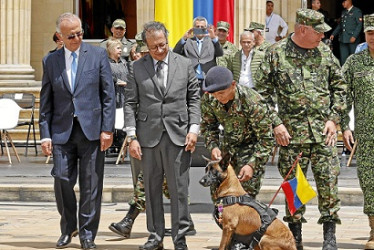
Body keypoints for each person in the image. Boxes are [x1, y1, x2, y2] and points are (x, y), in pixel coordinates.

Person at [255, 9, 347, 250]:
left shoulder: (325, 53)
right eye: (318, 32)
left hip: (323, 135)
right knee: (294, 188)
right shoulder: (275, 54)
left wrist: (333, 119)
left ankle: (330, 236)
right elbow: (260, 96)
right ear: (303, 29)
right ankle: (295, 236)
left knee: (329, 185)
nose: (323, 36)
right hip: (291, 138)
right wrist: (276, 123)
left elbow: (340, 88)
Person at [39, 12, 115, 250]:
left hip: (92, 131)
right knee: (61, 179)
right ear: (60, 36)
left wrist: (107, 129)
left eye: (80, 33)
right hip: (62, 131)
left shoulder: (97, 55)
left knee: (91, 185)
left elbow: (108, 95)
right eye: (71, 35)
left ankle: (87, 234)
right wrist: (45, 134)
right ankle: (68, 227)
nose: (77, 38)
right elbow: (46, 100)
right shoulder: (50, 61)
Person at [108, 37, 197, 240]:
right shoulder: (136, 68)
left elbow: (193, 98)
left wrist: (193, 128)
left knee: (176, 187)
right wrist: (132, 136)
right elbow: (131, 102)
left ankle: (180, 233)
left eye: (162, 45)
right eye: (152, 48)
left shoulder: (182, 64)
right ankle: (156, 234)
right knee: (150, 185)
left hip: (176, 134)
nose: (158, 50)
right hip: (148, 135)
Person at [200, 66, 273, 249]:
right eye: (214, 94)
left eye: (222, 93)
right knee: (220, 198)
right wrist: (213, 146)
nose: (219, 97)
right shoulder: (210, 98)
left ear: (233, 85)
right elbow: (208, 127)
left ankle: (244, 241)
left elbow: (266, 138)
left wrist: (252, 164)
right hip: (228, 149)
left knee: (245, 197)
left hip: (252, 147)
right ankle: (231, 236)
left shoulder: (252, 100)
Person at [341, 13, 374, 250]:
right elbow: (343, 96)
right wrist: (344, 125)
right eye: (370, 32)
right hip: (366, 136)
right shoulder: (355, 62)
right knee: (370, 183)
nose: (373, 37)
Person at [173, 16, 223, 91]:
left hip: (207, 79)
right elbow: (175, 53)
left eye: (202, 27)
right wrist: (183, 39)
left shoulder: (212, 41)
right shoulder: (188, 41)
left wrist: (214, 39)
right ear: (193, 28)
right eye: (197, 26)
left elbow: (220, 53)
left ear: (206, 29)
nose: (200, 28)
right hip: (191, 79)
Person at [330, 0, 363, 65]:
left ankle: (353, 74)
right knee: (343, 59)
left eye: (344, 2)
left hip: (352, 39)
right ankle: (344, 74)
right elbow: (340, 25)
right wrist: (333, 34)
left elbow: (359, 25)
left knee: (353, 58)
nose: (342, 4)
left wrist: (354, 36)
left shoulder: (357, 11)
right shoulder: (343, 12)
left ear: (349, 1)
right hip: (343, 39)